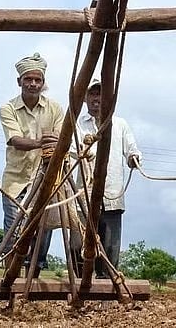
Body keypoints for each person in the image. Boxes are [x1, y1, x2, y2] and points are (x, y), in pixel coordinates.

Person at [0, 52, 64, 272]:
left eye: (37, 80)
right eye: (28, 79)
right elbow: (15, 140)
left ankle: (32, 281)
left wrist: (53, 144)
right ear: (19, 82)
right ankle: (8, 283)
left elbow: (61, 139)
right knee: (13, 233)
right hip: (16, 182)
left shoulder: (55, 108)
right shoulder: (7, 108)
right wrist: (41, 143)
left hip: (45, 179)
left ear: (43, 83)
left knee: (40, 234)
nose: (33, 84)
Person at [71, 78, 142, 279]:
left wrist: (133, 158)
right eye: (93, 93)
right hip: (83, 195)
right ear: (85, 98)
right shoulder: (77, 124)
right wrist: (83, 153)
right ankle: (79, 286)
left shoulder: (119, 124)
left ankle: (107, 295)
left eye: (101, 94)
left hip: (111, 194)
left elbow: (132, 149)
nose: (97, 98)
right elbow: (71, 150)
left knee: (110, 248)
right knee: (78, 243)